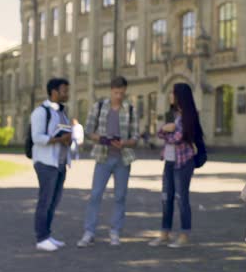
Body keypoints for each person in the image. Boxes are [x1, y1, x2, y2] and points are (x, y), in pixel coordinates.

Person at [77, 76, 139, 247]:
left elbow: (135, 137)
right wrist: (101, 138)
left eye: (122, 93)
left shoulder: (131, 110)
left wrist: (124, 143)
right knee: (95, 195)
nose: (119, 96)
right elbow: (88, 130)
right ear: (111, 90)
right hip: (103, 157)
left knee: (120, 196)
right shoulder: (98, 107)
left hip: (122, 159)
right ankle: (89, 232)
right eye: (116, 92)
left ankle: (115, 231)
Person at [148, 83, 204, 248]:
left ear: (180, 96)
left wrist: (166, 131)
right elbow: (160, 132)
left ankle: (184, 235)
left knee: (181, 199)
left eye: (173, 93)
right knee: (166, 198)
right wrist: (166, 129)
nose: (170, 96)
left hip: (184, 163)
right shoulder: (172, 114)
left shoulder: (190, 116)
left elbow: (178, 138)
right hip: (169, 162)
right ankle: (164, 234)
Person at [30, 78, 72, 252]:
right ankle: (41, 238)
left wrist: (69, 140)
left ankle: (47, 235)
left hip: (60, 163)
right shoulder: (40, 112)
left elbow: (64, 133)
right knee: (45, 200)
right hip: (46, 163)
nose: (67, 94)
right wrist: (58, 139)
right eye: (64, 91)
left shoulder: (62, 112)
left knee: (54, 201)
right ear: (54, 92)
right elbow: (37, 137)